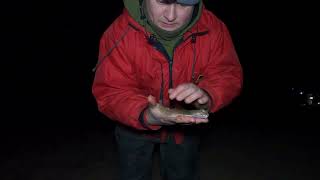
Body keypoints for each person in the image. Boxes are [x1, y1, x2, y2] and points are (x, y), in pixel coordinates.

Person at [92, 0, 243, 179]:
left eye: (183, 4)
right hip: (133, 124)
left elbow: (227, 73)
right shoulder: (119, 32)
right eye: (163, 1)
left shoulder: (214, 28)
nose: (171, 16)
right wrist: (146, 114)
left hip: (186, 125)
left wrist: (208, 95)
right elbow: (111, 90)